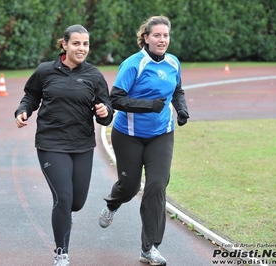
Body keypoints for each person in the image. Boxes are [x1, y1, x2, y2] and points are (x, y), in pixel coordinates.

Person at [14, 24, 113, 266]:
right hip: (51, 142)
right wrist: (23, 111)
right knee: (63, 198)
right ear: (64, 45)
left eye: (86, 44)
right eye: (76, 43)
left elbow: (107, 114)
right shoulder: (45, 71)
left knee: (76, 203)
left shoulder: (94, 76)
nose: (82, 48)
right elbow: (31, 96)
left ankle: (66, 216)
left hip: (81, 144)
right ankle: (61, 252)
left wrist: (103, 111)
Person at [98, 15, 189, 266]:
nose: (162, 40)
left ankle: (149, 248)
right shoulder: (133, 64)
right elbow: (115, 99)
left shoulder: (173, 62)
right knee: (129, 186)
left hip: (162, 134)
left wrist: (181, 110)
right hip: (129, 135)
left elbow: (177, 91)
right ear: (146, 38)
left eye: (166, 35)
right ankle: (113, 204)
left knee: (157, 186)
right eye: (157, 35)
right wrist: (149, 105)